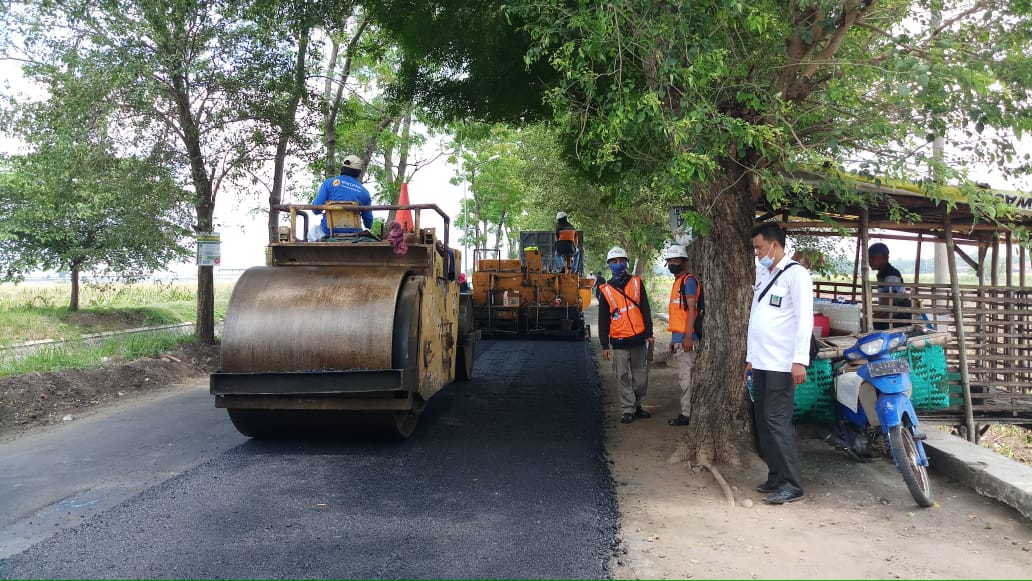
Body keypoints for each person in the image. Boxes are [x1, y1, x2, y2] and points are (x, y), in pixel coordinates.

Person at [746, 223, 813, 504]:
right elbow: (756, 318)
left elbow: (804, 319)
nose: (758, 253)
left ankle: (792, 483)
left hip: (782, 363)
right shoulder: (764, 273)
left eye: (760, 248)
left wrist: (800, 360)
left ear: (775, 245)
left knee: (777, 422)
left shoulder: (796, 275)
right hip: (762, 362)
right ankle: (775, 476)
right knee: (763, 421)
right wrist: (750, 358)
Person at [598, 246, 655, 424]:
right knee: (622, 376)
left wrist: (649, 333)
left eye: (621, 261)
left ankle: (638, 405)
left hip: (638, 339)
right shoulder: (605, 290)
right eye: (614, 262)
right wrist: (604, 345)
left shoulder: (637, 283)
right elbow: (603, 320)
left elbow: (645, 308)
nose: (618, 264)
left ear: (626, 263)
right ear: (609, 265)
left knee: (640, 377)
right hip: (619, 341)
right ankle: (628, 409)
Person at [662, 244, 702, 427]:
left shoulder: (688, 281)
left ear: (684, 261)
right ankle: (688, 411)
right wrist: (674, 339)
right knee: (685, 377)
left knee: (687, 378)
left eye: (676, 260)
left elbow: (692, 308)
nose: (672, 264)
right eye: (669, 261)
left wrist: (687, 336)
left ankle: (687, 414)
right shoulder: (678, 281)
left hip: (688, 338)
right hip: (679, 337)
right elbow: (678, 313)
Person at [310, 155, 373, 240]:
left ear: (342, 168)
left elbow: (316, 209)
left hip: (328, 233)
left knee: (312, 232)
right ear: (358, 172)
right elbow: (368, 222)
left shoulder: (329, 183)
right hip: (355, 235)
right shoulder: (364, 192)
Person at [867, 242, 912, 330]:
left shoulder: (891, 274)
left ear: (884, 257)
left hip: (898, 318)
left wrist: (870, 319)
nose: (869, 261)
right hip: (891, 316)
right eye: (869, 258)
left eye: (872, 257)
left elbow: (887, 303)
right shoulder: (883, 274)